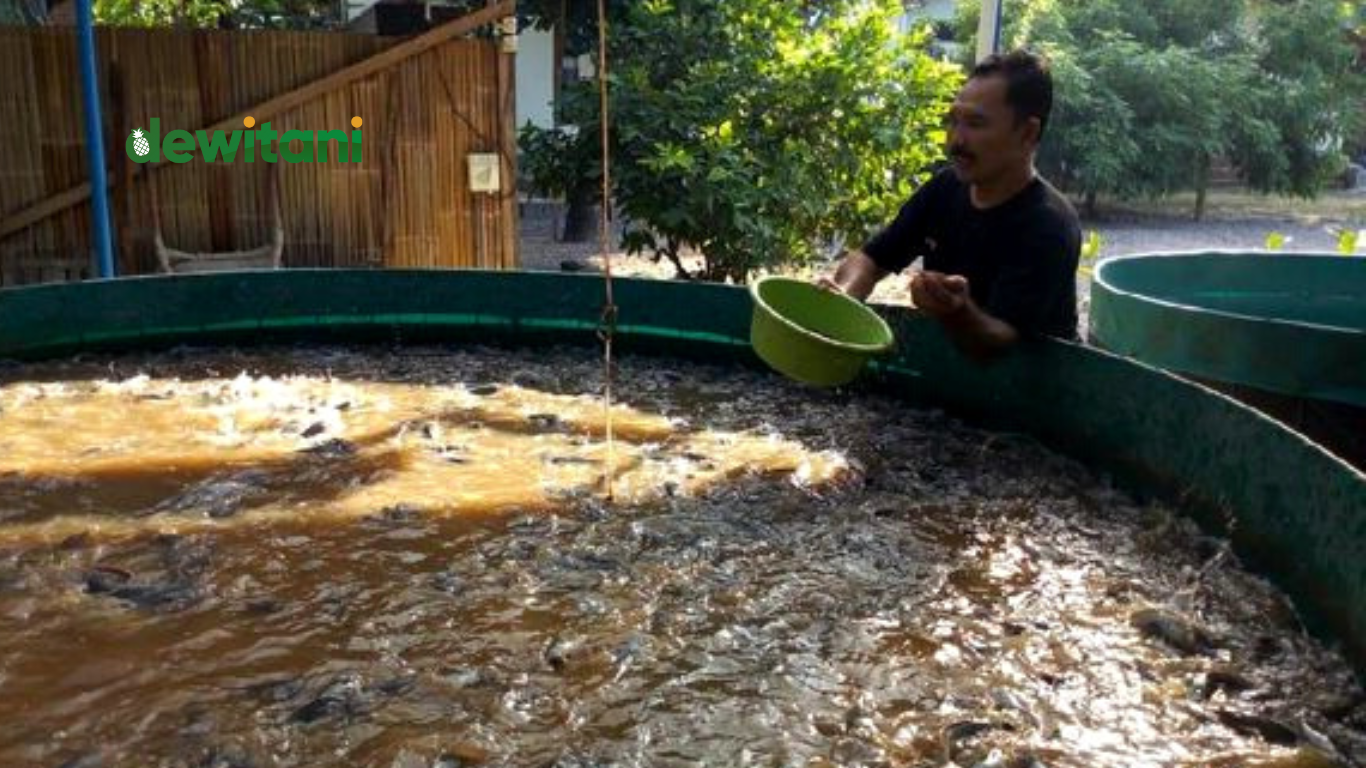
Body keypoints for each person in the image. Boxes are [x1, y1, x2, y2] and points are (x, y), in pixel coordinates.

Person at [819, 49, 1081, 360]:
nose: (955, 139)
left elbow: (999, 345)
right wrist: (845, 297)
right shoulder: (945, 189)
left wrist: (957, 312)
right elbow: (870, 259)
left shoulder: (1049, 224)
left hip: (1040, 391)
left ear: (1027, 133)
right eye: (953, 121)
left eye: (975, 124)